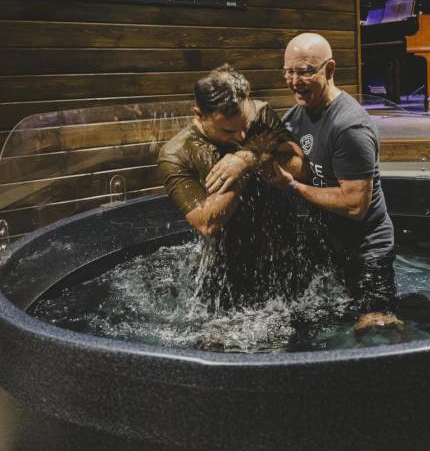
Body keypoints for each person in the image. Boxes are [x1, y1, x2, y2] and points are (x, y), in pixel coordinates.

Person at [269, 32, 404, 335]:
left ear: (329, 70)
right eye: (288, 72)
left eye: (304, 71)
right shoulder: (295, 117)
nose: (294, 81)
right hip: (326, 242)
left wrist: (294, 187)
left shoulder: (349, 126)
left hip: (368, 251)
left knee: (375, 329)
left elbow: (354, 205)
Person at [158, 64, 308, 309]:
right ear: (198, 114)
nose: (240, 136)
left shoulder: (260, 114)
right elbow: (207, 222)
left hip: (284, 255)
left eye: (245, 126)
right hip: (228, 270)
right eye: (228, 130)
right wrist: (244, 171)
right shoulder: (177, 154)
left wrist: (248, 158)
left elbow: (301, 167)